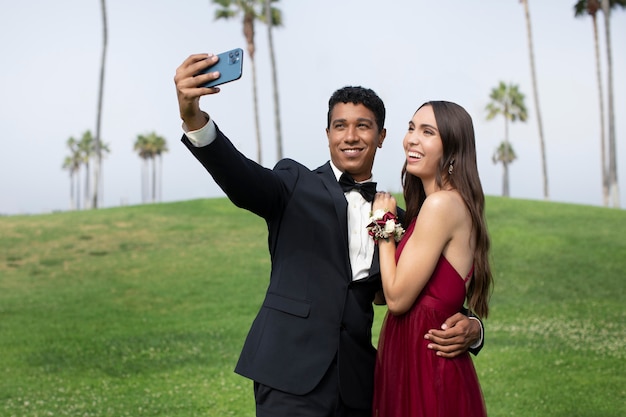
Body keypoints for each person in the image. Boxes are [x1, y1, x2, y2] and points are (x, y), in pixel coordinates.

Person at [173, 53, 484, 417]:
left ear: (381, 136)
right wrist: (194, 119)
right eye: (340, 126)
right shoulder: (293, 183)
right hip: (288, 376)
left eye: (363, 126)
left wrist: (473, 329)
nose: (351, 136)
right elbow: (240, 178)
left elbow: (427, 294)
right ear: (327, 134)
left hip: (360, 385)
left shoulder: (397, 219)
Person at [370, 101, 492, 417]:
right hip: (414, 360)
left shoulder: (441, 206)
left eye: (427, 132)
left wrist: (383, 223)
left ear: (452, 151)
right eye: (411, 128)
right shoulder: (434, 208)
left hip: (428, 368)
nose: (411, 139)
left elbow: (396, 298)